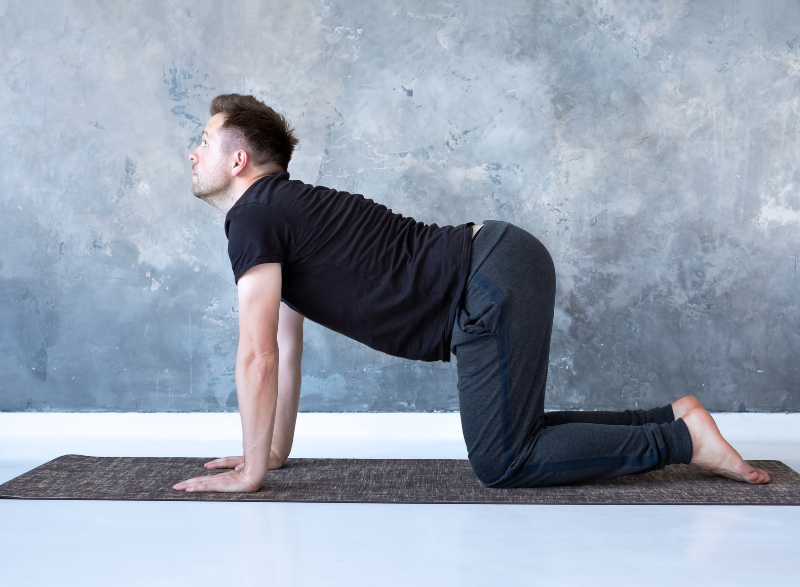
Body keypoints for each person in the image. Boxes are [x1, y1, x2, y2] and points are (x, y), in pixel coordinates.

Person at [173, 94, 770, 493]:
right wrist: (269, 456)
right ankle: (674, 419)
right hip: (498, 264)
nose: (193, 151)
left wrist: (249, 474)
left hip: (487, 281)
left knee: (503, 461)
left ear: (240, 159)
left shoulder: (255, 217)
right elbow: (283, 341)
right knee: (517, 432)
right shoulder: (284, 213)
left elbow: (257, 357)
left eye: (204, 139)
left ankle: (681, 441)